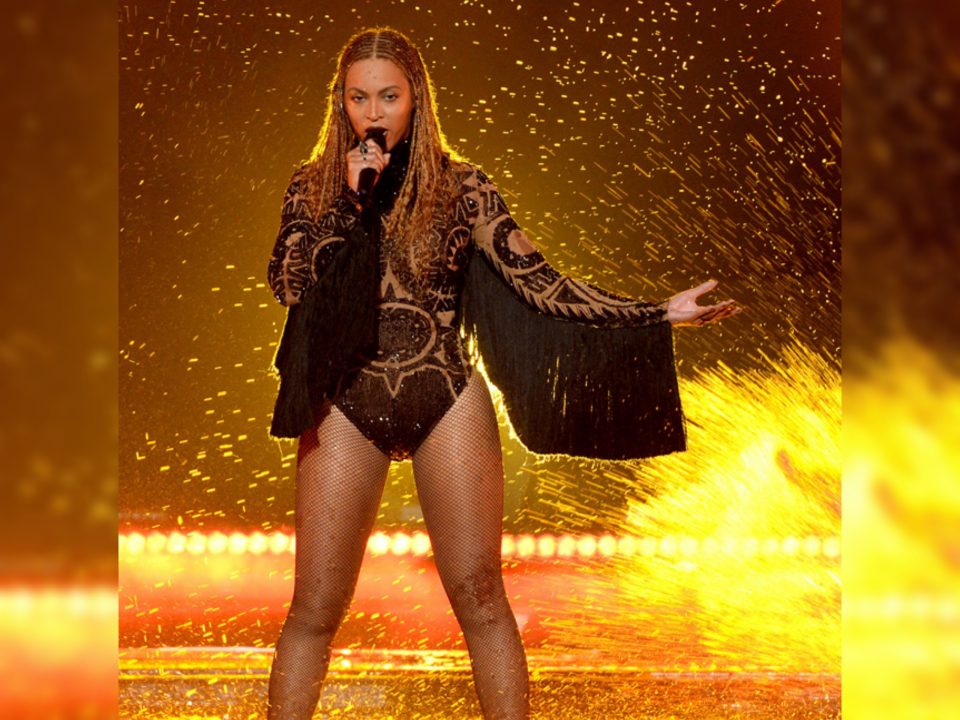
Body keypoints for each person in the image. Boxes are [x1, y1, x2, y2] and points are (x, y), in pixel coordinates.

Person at [264, 27, 740, 720]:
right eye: (359, 97)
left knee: (483, 596)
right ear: (339, 103)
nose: (374, 112)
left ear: (415, 99)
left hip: (445, 398)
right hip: (347, 403)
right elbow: (288, 282)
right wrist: (349, 201)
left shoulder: (465, 187)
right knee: (313, 609)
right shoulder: (311, 190)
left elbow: (542, 285)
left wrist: (658, 312)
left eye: (389, 96)